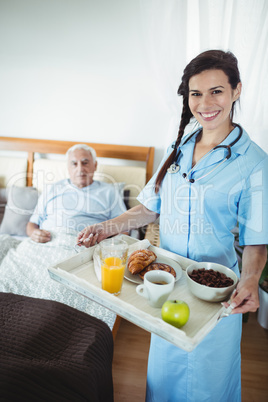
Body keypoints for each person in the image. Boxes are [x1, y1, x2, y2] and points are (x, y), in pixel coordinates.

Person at [76, 50, 268, 401]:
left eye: (217, 91)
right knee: (164, 380)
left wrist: (252, 279)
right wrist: (106, 228)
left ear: (236, 91)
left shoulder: (254, 162)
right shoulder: (177, 148)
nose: (205, 103)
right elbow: (149, 209)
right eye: (196, 93)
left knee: (210, 385)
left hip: (216, 292)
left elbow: (257, 238)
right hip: (167, 283)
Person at [26, 144, 127, 243]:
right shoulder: (52, 188)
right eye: (74, 164)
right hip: (47, 244)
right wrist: (34, 233)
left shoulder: (109, 191)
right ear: (68, 167)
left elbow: (124, 229)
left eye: (85, 163)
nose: (80, 169)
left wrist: (107, 244)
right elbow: (32, 223)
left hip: (85, 246)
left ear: (95, 165)